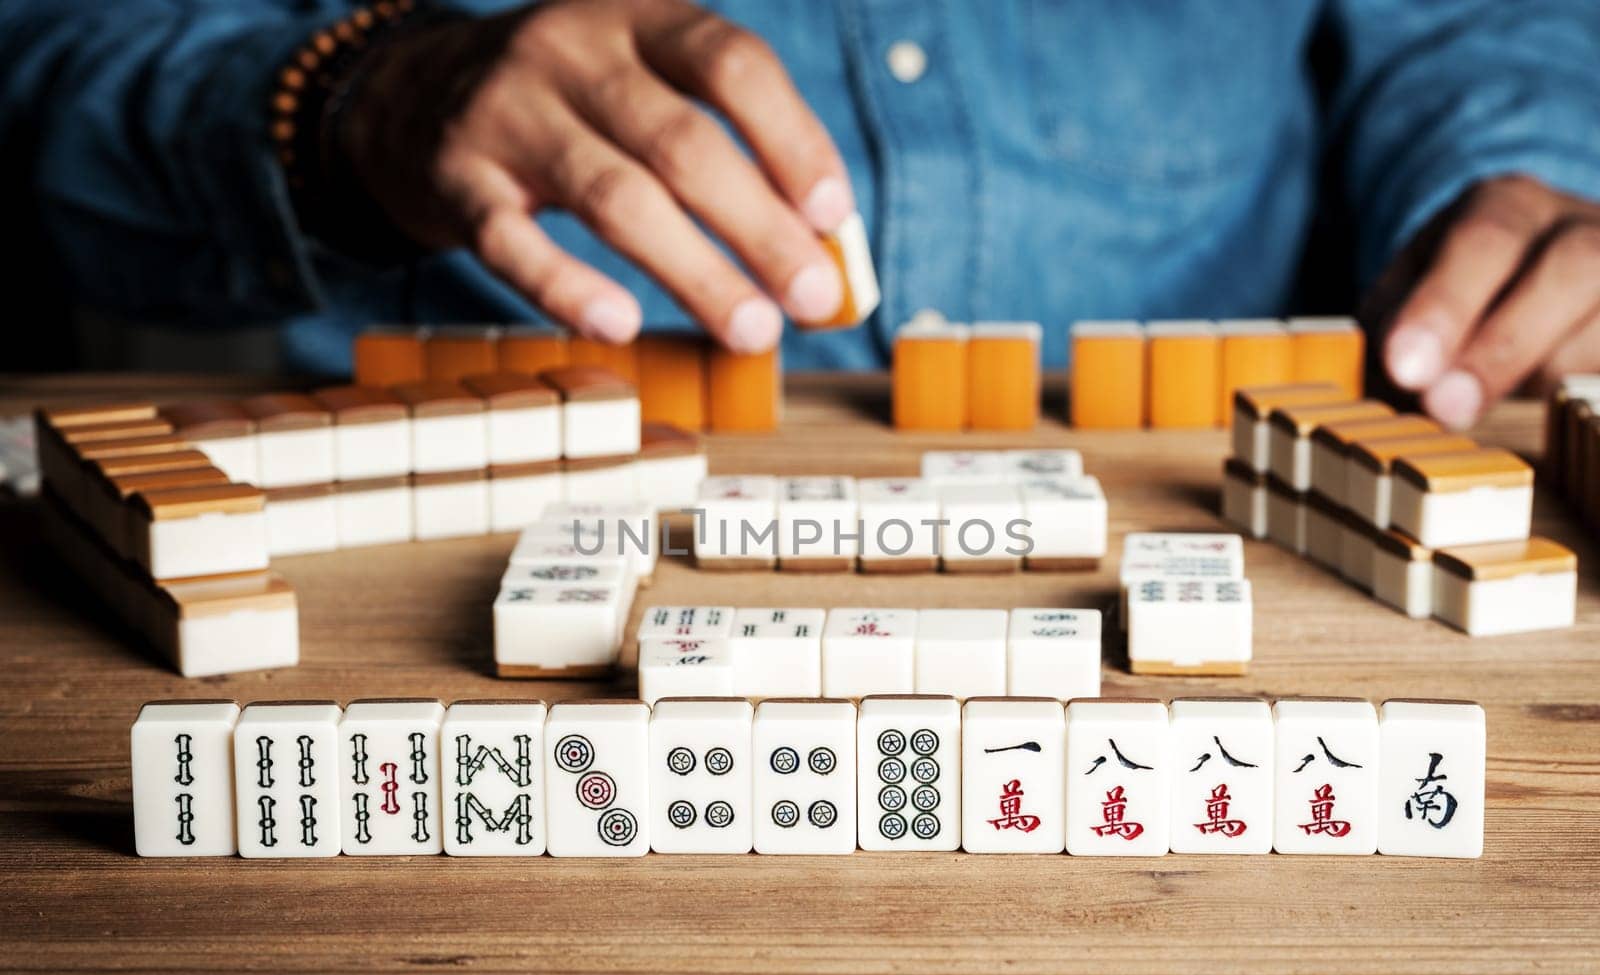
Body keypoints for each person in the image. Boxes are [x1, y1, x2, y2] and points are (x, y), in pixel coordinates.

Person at [3, 0, 1600, 430]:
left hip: (1223, 467)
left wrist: (1525, 173)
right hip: (442, 466)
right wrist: (356, 99)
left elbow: (1473, 23)